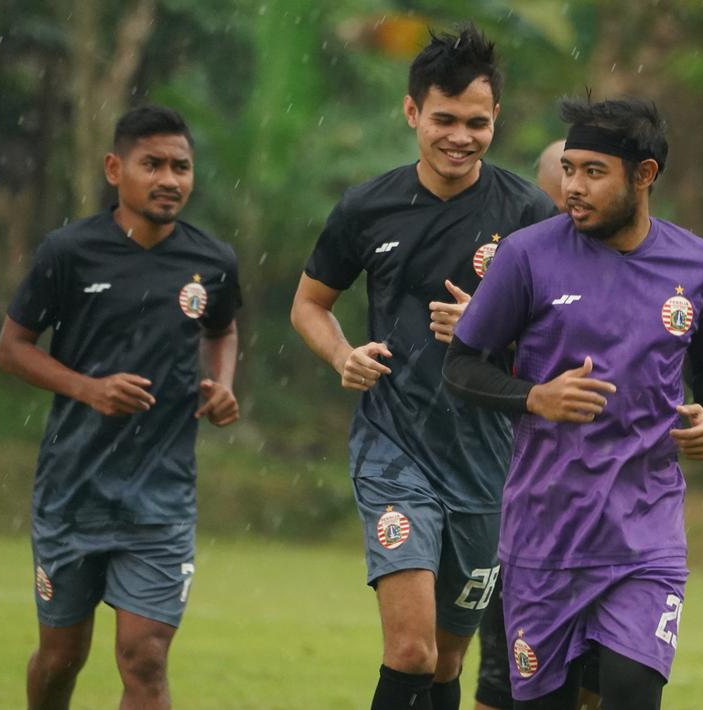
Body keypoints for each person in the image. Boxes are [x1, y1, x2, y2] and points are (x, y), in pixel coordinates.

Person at [290, 23, 557, 710]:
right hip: (394, 446)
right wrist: (342, 354)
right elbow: (309, 304)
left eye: (475, 122)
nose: (458, 136)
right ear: (412, 113)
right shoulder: (366, 206)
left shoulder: (527, 216)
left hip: (485, 459)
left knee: (443, 664)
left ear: (496, 118)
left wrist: (486, 329)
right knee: (409, 649)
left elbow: (554, 343)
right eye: (443, 119)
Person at [444, 97, 703, 710]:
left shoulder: (702, 267)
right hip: (544, 538)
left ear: (644, 175)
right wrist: (535, 396)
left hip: (644, 537)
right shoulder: (525, 256)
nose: (573, 186)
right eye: (570, 169)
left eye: (593, 172)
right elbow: (461, 365)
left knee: (633, 695)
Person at [0, 105, 240, 710]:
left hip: (160, 495)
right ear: (114, 168)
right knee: (61, 659)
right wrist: (88, 388)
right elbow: (10, 349)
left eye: (180, 167)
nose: (169, 179)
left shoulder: (212, 262)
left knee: (145, 659)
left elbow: (222, 329)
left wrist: (221, 383)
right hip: (72, 490)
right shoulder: (69, 252)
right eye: (151, 164)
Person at [472, 137, 574, 710]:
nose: (572, 210)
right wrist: (484, 328)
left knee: (596, 683)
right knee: (502, 677)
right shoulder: (518, 264)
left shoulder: (635, 271)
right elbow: (468, 373)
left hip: (609, 513)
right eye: (559, 200)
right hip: (522, 503)